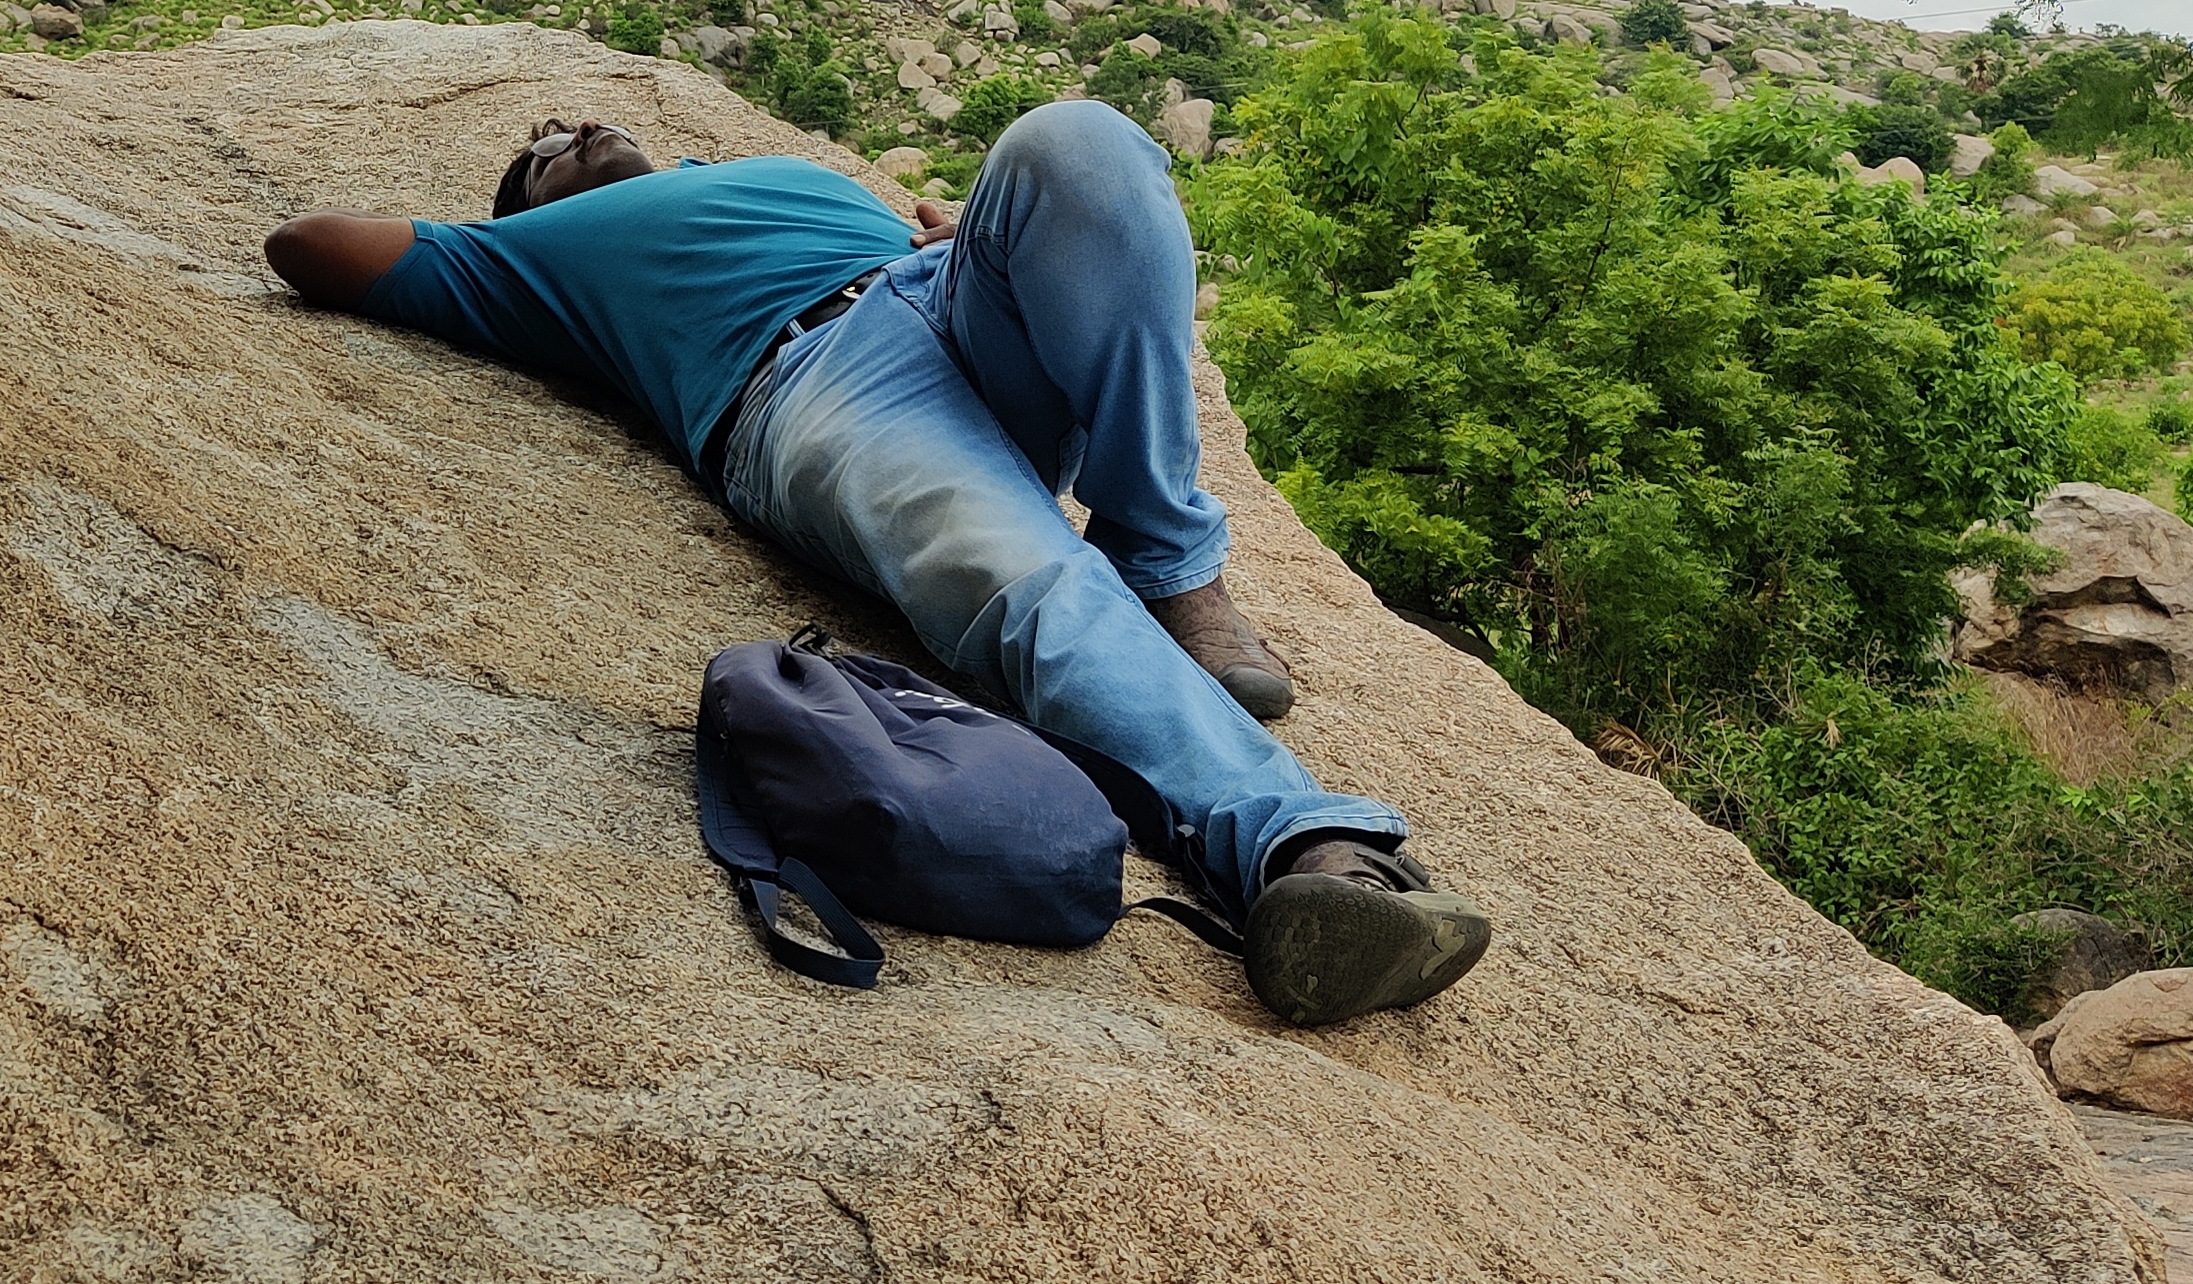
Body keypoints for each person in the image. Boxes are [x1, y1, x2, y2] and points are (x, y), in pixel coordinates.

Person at [263, 102, 1489, 1025]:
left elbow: (1041, 231)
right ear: (523, 210)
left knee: (1074, 144)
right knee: (1021, 578)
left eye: (574, 122)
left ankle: (1165, 558)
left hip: (942, 293)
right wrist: (492, 238)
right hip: (810, 384)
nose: (571, 129)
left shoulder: (779, 175)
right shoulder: (532, 259)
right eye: (541, 152)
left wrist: (989, 241)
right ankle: (1309, 855)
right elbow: (307, 245)